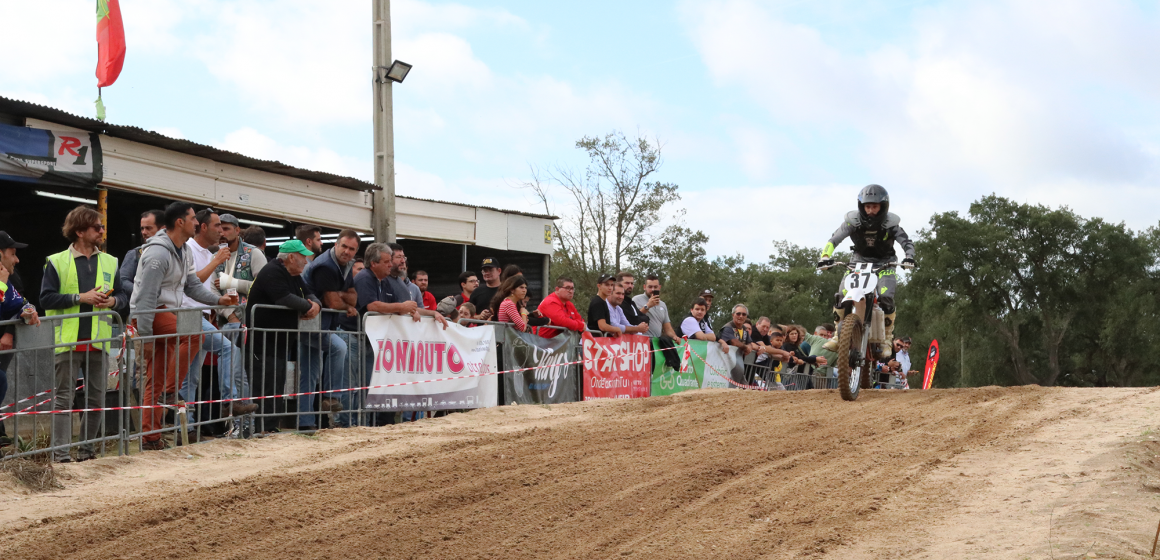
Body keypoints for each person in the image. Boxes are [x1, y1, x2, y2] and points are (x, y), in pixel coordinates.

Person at [130, 202, 234, 451]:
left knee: (152, 381)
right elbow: (146, 298)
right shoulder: (158, 253)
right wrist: (145, 337)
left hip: (164, 313)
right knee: (194, 333)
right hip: (150, 313)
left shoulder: (183, 251)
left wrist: (218, 301)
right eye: (192, 219)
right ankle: (170, 392)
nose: (197, 223)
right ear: (180, 222)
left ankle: (150, 437)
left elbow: (191, 287)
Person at [40, 206, 129, 462]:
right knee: (64, 399)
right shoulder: (56, 261)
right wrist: (82, 297)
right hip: (67, 341)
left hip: (99, 342)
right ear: (79, 231)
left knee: (96, 399)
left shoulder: (111, 261)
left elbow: (123, 296)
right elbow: (45, 298)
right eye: (96, 227)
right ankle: (60, 455)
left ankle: (87, 451)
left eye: (101, 227)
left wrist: (112, 303)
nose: (102, 231)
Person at [179, 208, 257, 432]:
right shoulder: (191, 250)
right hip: (189, 314)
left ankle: (186, 428)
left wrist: (219, 301)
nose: (221, 232)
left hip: (201, 314)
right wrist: (216, 262)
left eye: (224, 228)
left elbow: (202, 288)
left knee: (189, 377)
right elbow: (191, 283)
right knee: (229, 350)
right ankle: (229, 401)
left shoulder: (204, 251)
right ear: (204, 227)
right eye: (217, 226)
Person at [816, 184, 916, 357]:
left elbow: (906, 242)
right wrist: (825, 256)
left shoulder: (891, 224)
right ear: (861, 206)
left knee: (885, 297)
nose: (870, 211)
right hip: (858, 262)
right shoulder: (852, 221)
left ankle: (886, 339)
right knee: (841, 295)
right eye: (867, 206)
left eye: (874, 207)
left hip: (885, 263)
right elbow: (834, 239)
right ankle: (839, 336)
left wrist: (909, 257)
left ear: (883, 207)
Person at [353, 243, 447, 424]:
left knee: (379, 386)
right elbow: (373, 306)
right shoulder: (366, 278)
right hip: (363, 339)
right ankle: (361, 423)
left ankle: (379, 422)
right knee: (365, 385)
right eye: (389, 261)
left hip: (379, 343)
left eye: (393, 260)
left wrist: (433, 312)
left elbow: (407, 307)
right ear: (374, 263)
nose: (393, 264)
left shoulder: (386, 280)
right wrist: (402, 307)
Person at [245, 239, 322, 433]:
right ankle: (262, 427)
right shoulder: (273, 271)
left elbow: (310, 292)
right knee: (265, 384)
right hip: (261, 341)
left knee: (278, 383)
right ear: (291, 258)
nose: (306, 261)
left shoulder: (293, 273)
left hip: (279, 340)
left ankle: (271, 426)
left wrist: (315, 304)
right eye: (303, 257)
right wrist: (308, 307)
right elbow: (283, 298)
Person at [299, 229, 360, 429]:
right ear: (335, 245)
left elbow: (353, 296)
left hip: (322, 324)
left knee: (309, 374)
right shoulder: (325, 265)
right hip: (313, 324)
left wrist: (343, 299)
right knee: (339, 347)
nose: (347, 252)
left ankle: (305, 422)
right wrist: (346, 304)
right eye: (344, 246)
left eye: (352, 249)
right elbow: (333, 302)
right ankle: (332, 396)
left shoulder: (346, 265)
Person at [0, 232, 39, 447]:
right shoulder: (4, 279)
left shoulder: (9, 277)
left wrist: (28, 310)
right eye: (13, 254)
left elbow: (20, 302)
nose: (17, 259)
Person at [118, 209, 165, 299]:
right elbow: (122, 281)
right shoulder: (135, 254)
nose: (143, 232)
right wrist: (144, 292)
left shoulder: (176, 254)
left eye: (148, 228)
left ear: (162, 229)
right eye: (142, 228)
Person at [631, 275, 678, 339]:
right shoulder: (636, 300)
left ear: (659, 287)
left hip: (657, 342)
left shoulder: (662, 304)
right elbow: (634, 318)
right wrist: (648, 305)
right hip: (641, 341)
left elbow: (667, 328)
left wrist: (674, 336)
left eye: (655, 287)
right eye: (650, 287)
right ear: (644, 287)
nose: (653, 289)